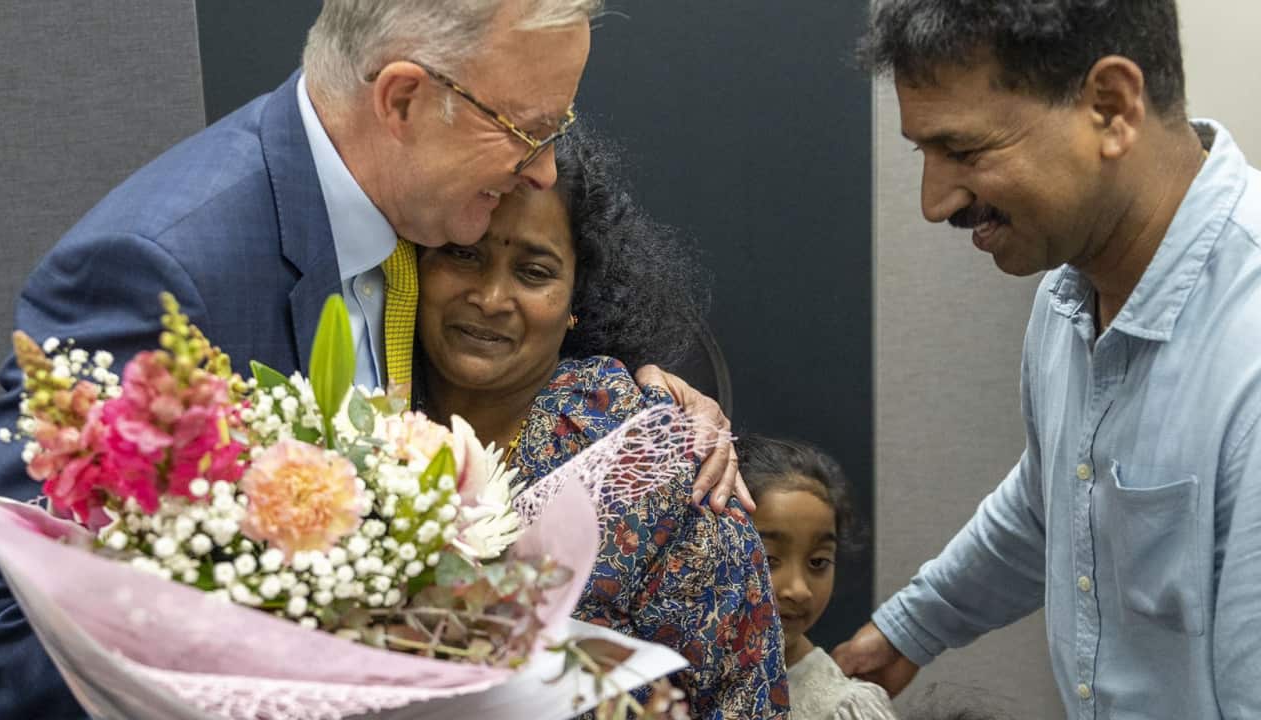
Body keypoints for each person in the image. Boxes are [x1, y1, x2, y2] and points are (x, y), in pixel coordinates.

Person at [0, 3, 745, 718]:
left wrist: (656, 393)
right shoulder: (161, 270)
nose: (543, 170)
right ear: (403, 101)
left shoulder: (414, 211)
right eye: (527, 128)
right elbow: (10, 620)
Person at [834, 1, 1261, 717]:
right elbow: (1058, 500)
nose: (935, 201)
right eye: (924, 154)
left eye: (965, 152)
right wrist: (909, 631)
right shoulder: (1071, 296)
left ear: (1112, 108)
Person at [413, 131, 789, 718]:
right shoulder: (354, 420)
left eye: (533, 272)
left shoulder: (663, 471)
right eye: (464, 253)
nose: (490, 297)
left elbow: (742, 698)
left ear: (574, 300)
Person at [737, 434, 897, 720]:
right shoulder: (659, 682)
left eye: (818, 562)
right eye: (769, 559)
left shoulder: (843, 709)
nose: (799, 590)